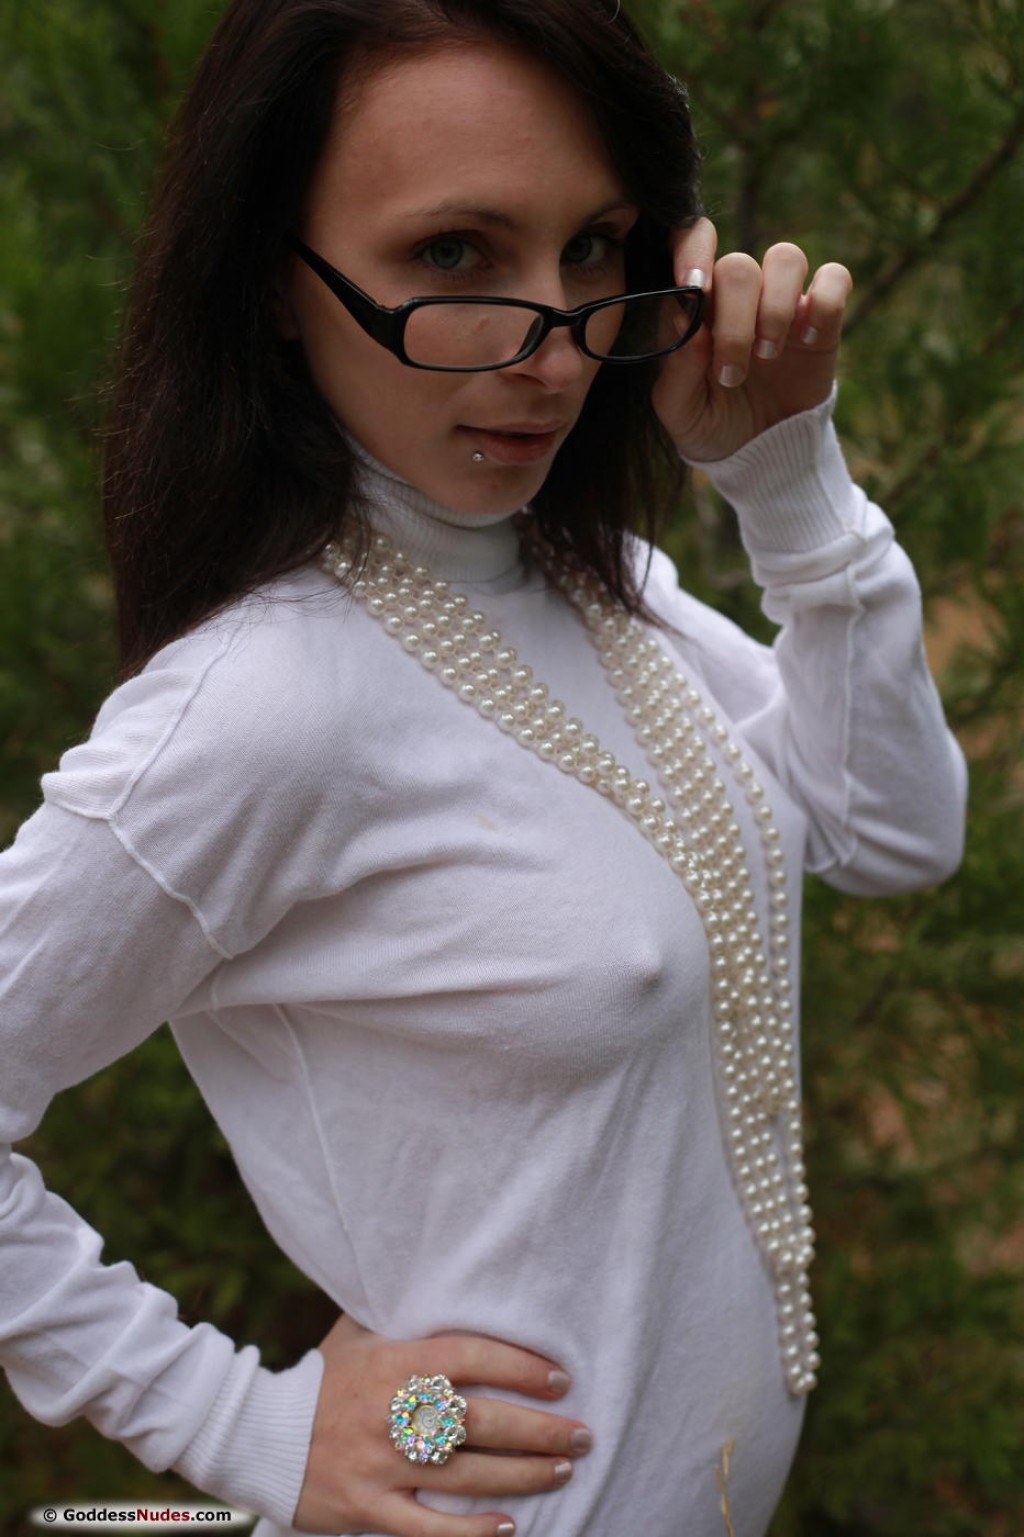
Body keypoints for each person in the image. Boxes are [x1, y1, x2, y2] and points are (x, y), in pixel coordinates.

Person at [0, 1, 967, 1534]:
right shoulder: (263, 709)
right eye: (455, 254)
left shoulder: (603, 588)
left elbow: (896, 830)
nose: (555, 345)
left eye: (592, 250)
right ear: (273, 278)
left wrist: (785, 477)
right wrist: (250, 1424)